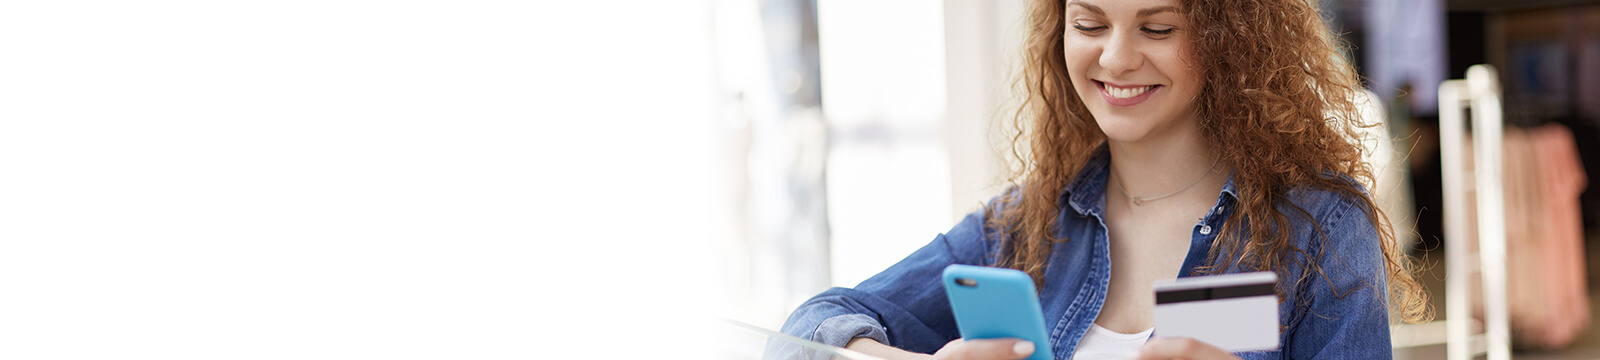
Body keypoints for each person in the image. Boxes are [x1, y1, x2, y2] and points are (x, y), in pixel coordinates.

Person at [770, 0, 1433, 359]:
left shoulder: (1317, 228)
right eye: (1090, 23)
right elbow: (803, 330)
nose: (1116, 57)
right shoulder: (1022, 227)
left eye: (1157, 27)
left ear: (1227, 34)